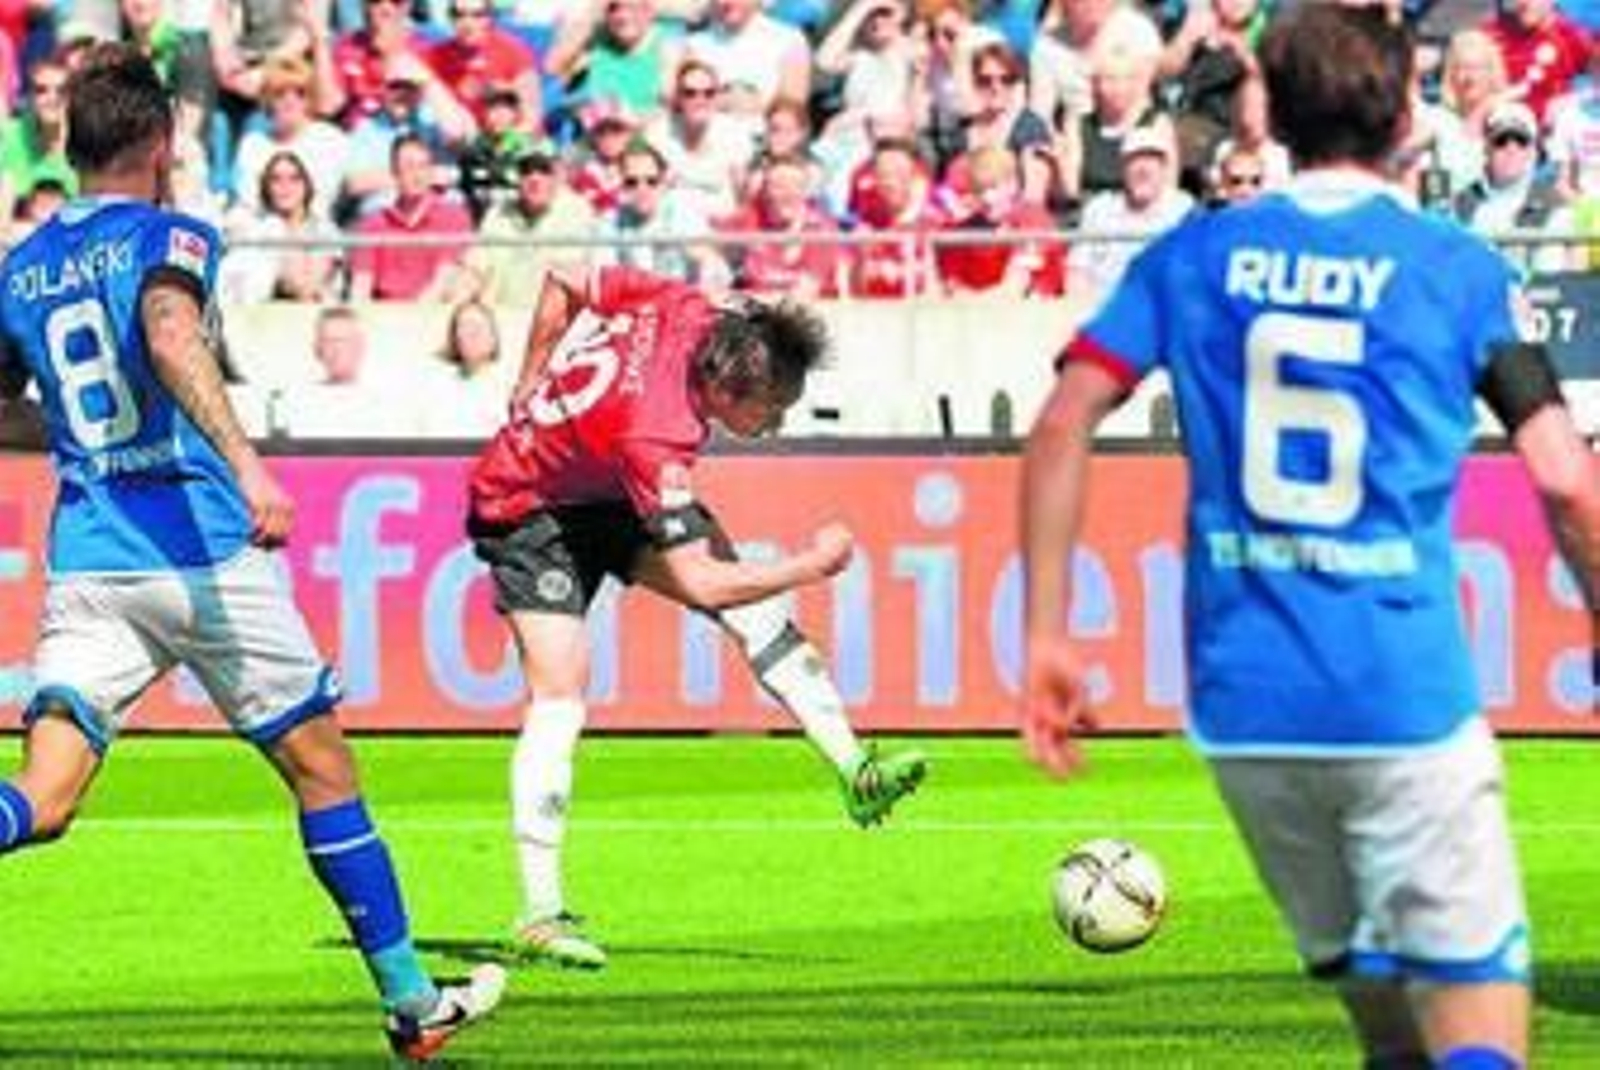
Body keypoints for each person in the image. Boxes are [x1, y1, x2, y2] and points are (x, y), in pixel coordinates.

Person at [1019, 8, 1600, 1069]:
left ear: (1273, 116)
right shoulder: (1454, 268)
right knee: (1478, 1035)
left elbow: (1062, 419)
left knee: (1391, 1040)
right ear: (1406, 117)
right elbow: (1565, 477)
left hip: (1247, 712)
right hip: (1403, 697)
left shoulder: (1194, 256)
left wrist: (1048, 632)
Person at [0, 44, 504, 1061]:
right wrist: (251, 468)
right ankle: (412, 1002)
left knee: (41, 797)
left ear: (69, 137)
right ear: (160, 137)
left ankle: (415, 1002)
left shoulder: (19, 266)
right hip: (201, 549)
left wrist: (72, 440)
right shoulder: (170, 232)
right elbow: (171, 328)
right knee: (322, 767)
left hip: (92, 563)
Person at [466, 264, 930, 968]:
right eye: (770, 409)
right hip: (529, 508)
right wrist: (812, 563)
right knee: (560, 692)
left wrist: (529, 375)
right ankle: (538, 914)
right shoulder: (657, 435)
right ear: (724, 387)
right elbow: (702, 583)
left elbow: (562, 278)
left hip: (606, 486)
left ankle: (854, 769)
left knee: (759, 613)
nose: (776, 423)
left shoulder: (692, 306)